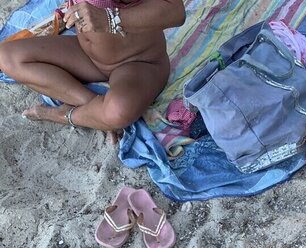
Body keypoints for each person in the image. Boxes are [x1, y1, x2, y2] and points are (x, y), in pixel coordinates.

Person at [0, 0, 185, 143]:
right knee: (6, 57)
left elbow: (175, 12)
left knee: (118, 111)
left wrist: (111, 18)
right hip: (89, 57)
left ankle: (62, 115)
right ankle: (92, 108)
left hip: (138, 62)